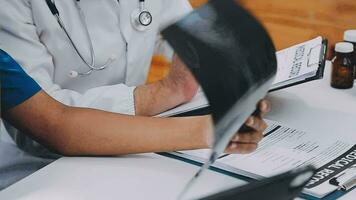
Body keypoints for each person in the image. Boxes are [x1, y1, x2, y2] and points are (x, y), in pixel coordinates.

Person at [0, 0, 270, 189]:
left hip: (135, 145)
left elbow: (182, 29)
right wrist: (164, 96)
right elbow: (50, 124)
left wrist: (224, 65)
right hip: (37, 168)